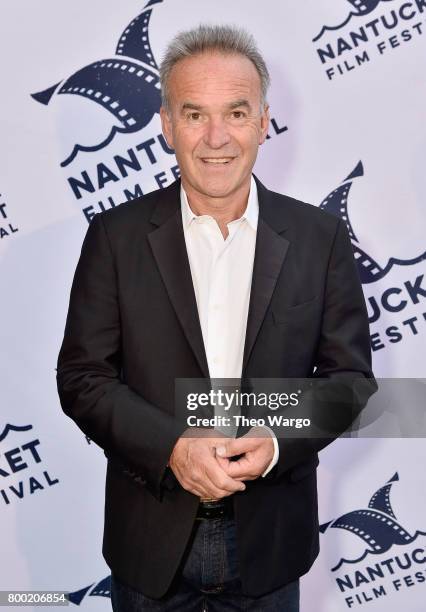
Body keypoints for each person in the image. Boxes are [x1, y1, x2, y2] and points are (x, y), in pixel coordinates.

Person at [56, 24, 376, 611]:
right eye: (194, 114)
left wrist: (277, 440)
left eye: (235, 112)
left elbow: (352, 384)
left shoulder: (319, 238)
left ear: (262, 121)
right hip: (148, 540)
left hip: (271, 539)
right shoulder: (114, 237)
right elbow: (82, 378)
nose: (216, 138)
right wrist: (171, 447)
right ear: (166, 124)